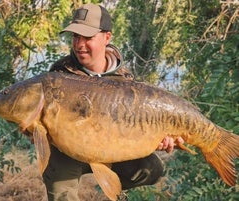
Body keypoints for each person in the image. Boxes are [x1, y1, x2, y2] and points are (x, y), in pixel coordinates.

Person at [44, 3, 183, 201]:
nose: (79, 44)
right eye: (76, 36)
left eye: (87, 37)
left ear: (106, 38)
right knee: (60, 193)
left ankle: (113, 186)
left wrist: (159, 138)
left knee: (151, 169)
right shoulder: (60, 72)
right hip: (69, 149)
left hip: (110, 146)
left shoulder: (124, 78)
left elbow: (133, 126)